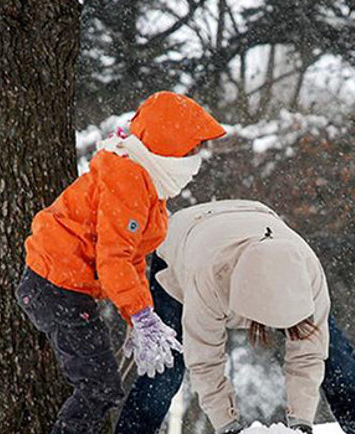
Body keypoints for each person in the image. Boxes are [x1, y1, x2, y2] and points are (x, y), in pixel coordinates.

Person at [16, 91, 227, 433]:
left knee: (99, 386)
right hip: (55, 287)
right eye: (192, 150)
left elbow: (132, 259)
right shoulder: (129, 179)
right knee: (98, 387)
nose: (196, 160)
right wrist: (142, 316)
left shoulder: (147, 183)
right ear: (169, 147)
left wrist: (136, 315)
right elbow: (113, 258)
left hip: (62, 287)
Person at [115, 200, 355, 434]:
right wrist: (227, 424)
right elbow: (204, 360)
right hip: (183, 240)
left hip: (257, 219)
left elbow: (309, 354)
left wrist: (300, 422)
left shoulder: (308, 270)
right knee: (167, 363)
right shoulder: (209, 275)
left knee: (334, 353)